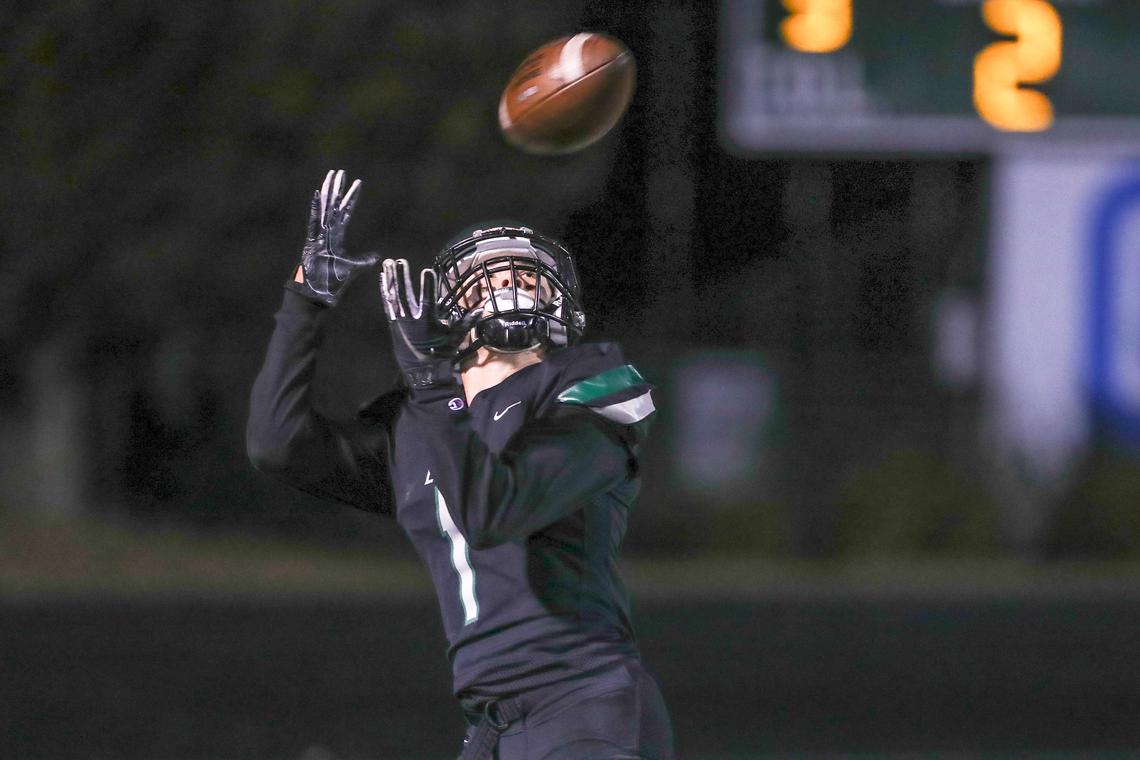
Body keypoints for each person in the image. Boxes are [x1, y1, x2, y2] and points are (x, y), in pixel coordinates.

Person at [247, 170, 674, 759]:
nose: (510, 289)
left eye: (525, 276)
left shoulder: (585, 392)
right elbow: (277, 443)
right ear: (448, 312)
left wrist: (431, 386)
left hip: (582, 704)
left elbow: (493, 510)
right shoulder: (422, 420)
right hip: (490, 727)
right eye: (489, 280)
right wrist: (307, 299)